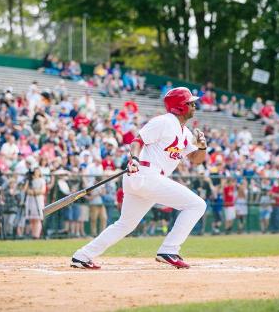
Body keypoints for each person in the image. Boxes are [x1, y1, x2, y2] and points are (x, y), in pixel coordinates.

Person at [71, 87, 207, 269]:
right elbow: (137, 141)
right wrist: (134, 159)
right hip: (145, 173)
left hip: (146, 180)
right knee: (197, 205)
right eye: (190, 103)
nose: (194, 106)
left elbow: (196, 160)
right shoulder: (164, 122)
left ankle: (82, 255)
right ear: (180, 107)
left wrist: (202, 147)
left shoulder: (186, 133)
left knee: (125, 224)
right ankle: (169, 249)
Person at [24, 167, 46, 239]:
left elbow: (42, 191)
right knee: (32, 219)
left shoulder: (42, 180)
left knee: (38, 218)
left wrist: (34, 192)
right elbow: (26, 190)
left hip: (38, 200)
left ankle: (37, 235)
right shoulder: (30, 181)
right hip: (31, 200)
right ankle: (33, 234)